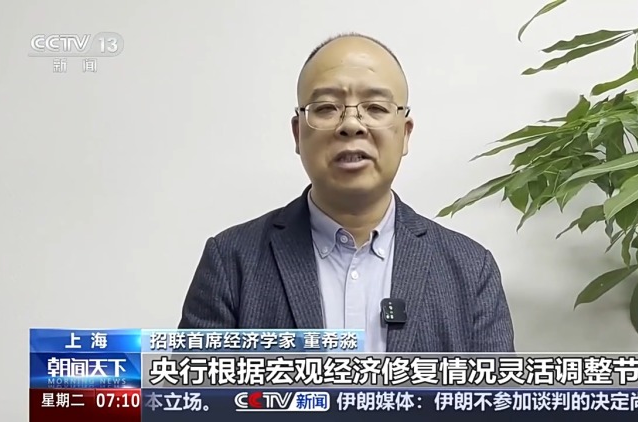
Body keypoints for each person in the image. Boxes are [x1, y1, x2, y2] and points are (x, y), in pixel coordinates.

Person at [179, 33, 514, 353]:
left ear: (405, 133)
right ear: (298, 133)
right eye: (326, 107)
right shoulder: (231, 262)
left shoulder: (471, 270)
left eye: (376, 108)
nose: (351, 124)